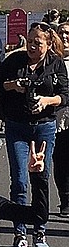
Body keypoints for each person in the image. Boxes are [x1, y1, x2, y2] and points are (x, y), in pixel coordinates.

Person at [0, 22, 69, 247]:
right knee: (19, 180)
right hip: (17, 127)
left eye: (38, 42)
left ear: (48, 44)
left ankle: (40, 230)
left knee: (40, 178)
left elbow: (66, 95)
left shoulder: (55, 64)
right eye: (30, 40)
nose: (33, 46)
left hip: (45, 127)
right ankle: (20, 233)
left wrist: (47, 101)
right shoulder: (15, 61)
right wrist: (11, 85)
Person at [52, 21, 69, 215]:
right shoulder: (52, 61)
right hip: (58, 119)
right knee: (61, 160)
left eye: (67, 33)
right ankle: (65, 199)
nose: (64, 36)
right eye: (61, 33)